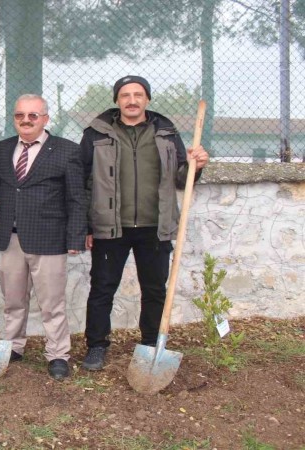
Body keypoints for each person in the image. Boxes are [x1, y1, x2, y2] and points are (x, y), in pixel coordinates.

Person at [80, 75, 210, 371]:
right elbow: (83, 180)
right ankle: (96, 346)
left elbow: (182, 179)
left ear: (147, 99)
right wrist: (87, 226)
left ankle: (151, 344)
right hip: (110, 225)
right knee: (102, 289)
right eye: (125, 95)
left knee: (154, 289)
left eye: (138, 94)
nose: (132, 100)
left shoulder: (166, 132)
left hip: (155, 225)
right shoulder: (96, 133)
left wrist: (196, 166)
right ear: (117, 100)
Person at [0, 94, 87, 381]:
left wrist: (75, 238)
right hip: (10, 238)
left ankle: (58, 354)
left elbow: (77, 198)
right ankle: (13, 346)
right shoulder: (2, 149)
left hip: (49, 239)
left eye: (33, 115)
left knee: (52, 304)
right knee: (13, 299)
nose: (26, 120)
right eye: (20, 115)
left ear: (45, 119)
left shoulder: (67, 150)